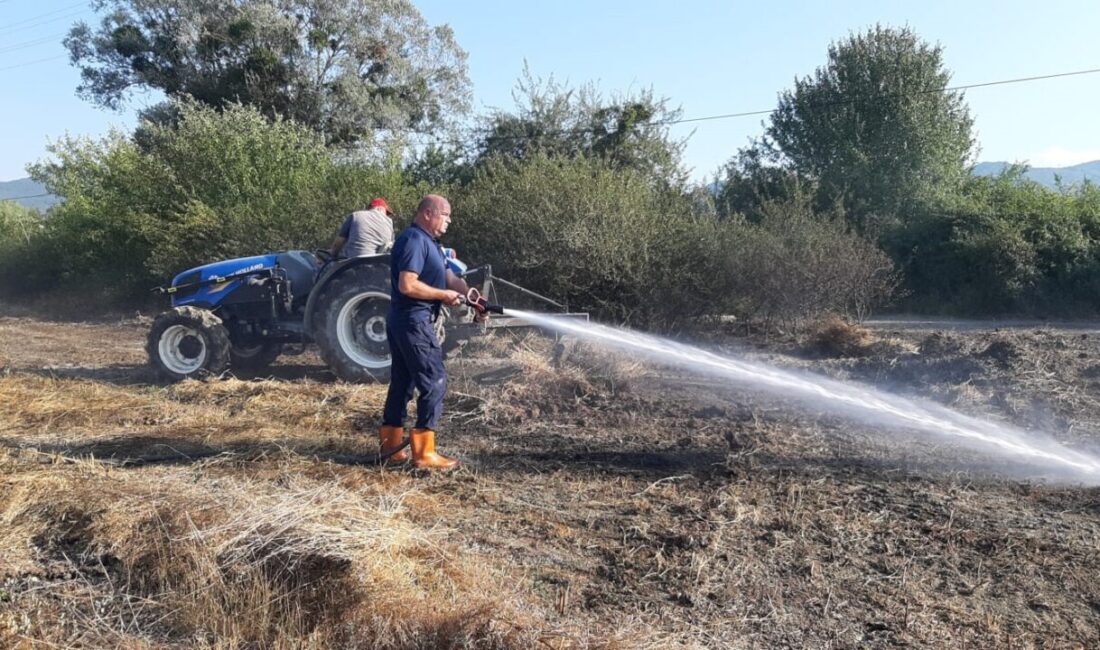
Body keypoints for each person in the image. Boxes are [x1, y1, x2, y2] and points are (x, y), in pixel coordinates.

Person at [378, 194, 471, 470]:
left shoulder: (430, 244)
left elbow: (450, 278)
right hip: (413, 320)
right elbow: (408, 284)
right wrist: (443, 295)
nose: (449, 220)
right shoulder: (414, 240)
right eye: (446, 214)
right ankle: (424, 454)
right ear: (429, 213)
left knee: (404, 382)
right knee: (434, 380)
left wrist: (473, 296)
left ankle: (392, 448)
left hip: (408, 321)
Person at [330, 198, 394, 258]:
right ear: (380, 208)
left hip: (353, 264)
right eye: (386, 212)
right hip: (377, 265)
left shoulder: (356, 216)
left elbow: (338, 243)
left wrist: (332, 256)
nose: (386, 215)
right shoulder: (389, 223)